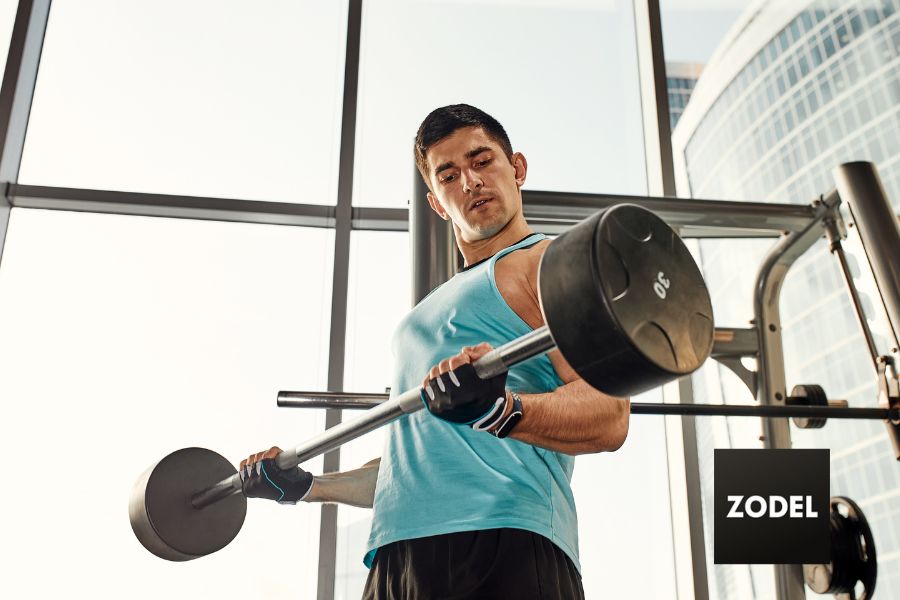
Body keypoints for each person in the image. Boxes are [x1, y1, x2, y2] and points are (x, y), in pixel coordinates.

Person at [240, 104, 631, 599]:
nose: (470, 181)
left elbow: (610, 416)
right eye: (449, 174)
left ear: (518, 168)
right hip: (396, 556)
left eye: (482, 161)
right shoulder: (418, 320)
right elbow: (410, 469)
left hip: (505, 538)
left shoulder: (548, 263)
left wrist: (499, 408)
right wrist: (310, 486)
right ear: (437, 203)